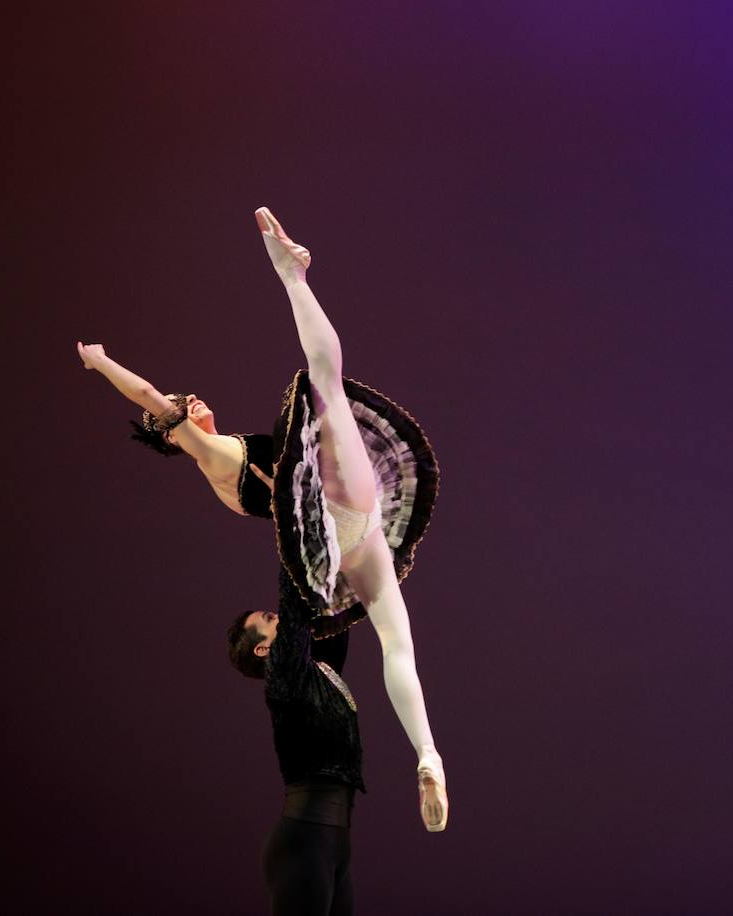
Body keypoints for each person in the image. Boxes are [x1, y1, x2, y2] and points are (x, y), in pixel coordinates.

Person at [77, 207, 447, 832]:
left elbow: (164, 407)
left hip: (343, 545)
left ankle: (429, 758)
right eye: (180, 407)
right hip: (339, 515)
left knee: (397, 641)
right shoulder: (215, 454)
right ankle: (291, 274)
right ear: (175, 433)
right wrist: (101, 362)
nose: (189, 399)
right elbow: (150, 401)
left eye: (186, 395)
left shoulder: (225, 465)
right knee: (325, 383)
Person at [232, 566, 365, 914]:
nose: (276, 616)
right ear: (262, 650)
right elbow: (295, 602)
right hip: (304, 843)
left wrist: (339, 532)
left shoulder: (317, 674)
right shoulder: (284, 681)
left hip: (336, 844)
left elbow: (331, 608)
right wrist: (296, 522)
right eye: (267, 619)